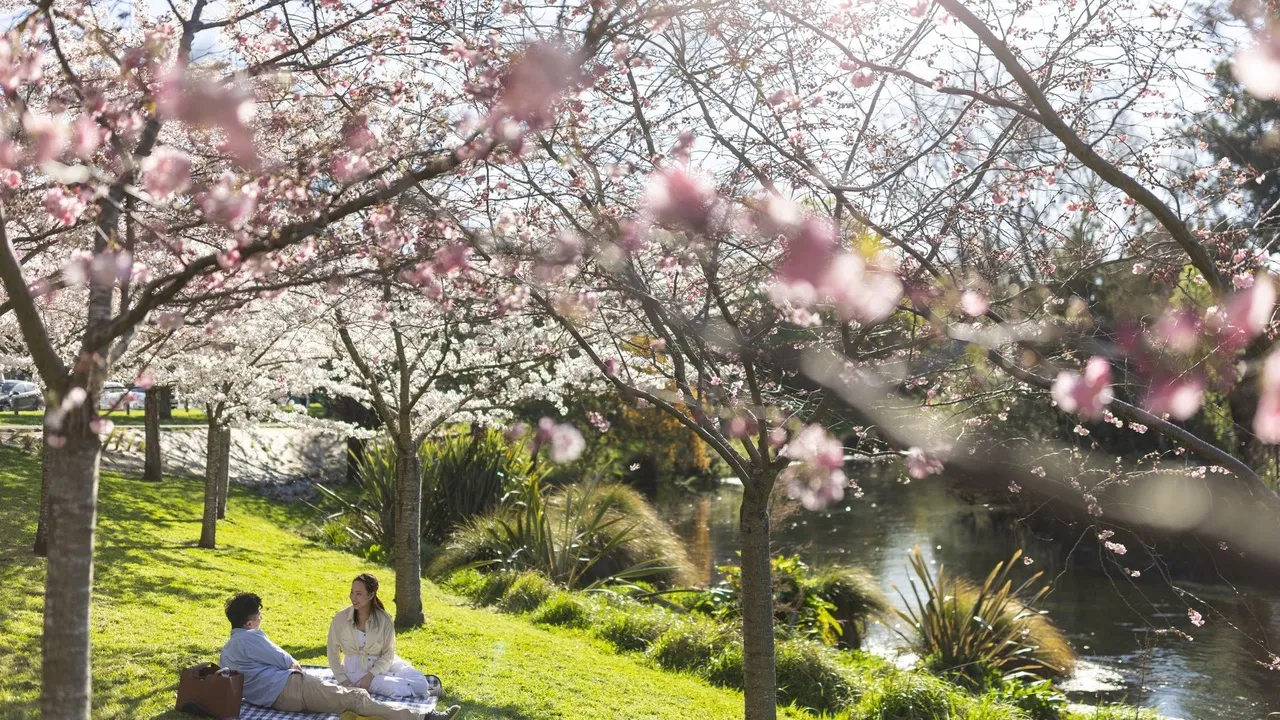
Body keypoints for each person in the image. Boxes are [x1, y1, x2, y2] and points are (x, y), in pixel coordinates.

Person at [219, 592, 460, 720]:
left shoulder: (227, 651)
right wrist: (297, 671)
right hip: (292, 689)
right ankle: (424, 717)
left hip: (274, 699)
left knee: (349, 697)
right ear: (249, 623)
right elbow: (287, 660)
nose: (261, 619)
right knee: (357, 698)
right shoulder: (251, 637)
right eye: (259, 616)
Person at [328, 573, 434, 698]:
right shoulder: (341, 618)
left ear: (371, 595)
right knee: (391, 687)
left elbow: (389, 653)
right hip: (356, 670)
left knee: (419, 680)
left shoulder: (384, 619)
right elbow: (332, 652)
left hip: (383, 664)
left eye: (359, 594)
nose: (353, 597)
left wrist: (371, 675)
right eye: (352, 592)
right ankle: (428, 691)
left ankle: (423, 688)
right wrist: (344, 681)